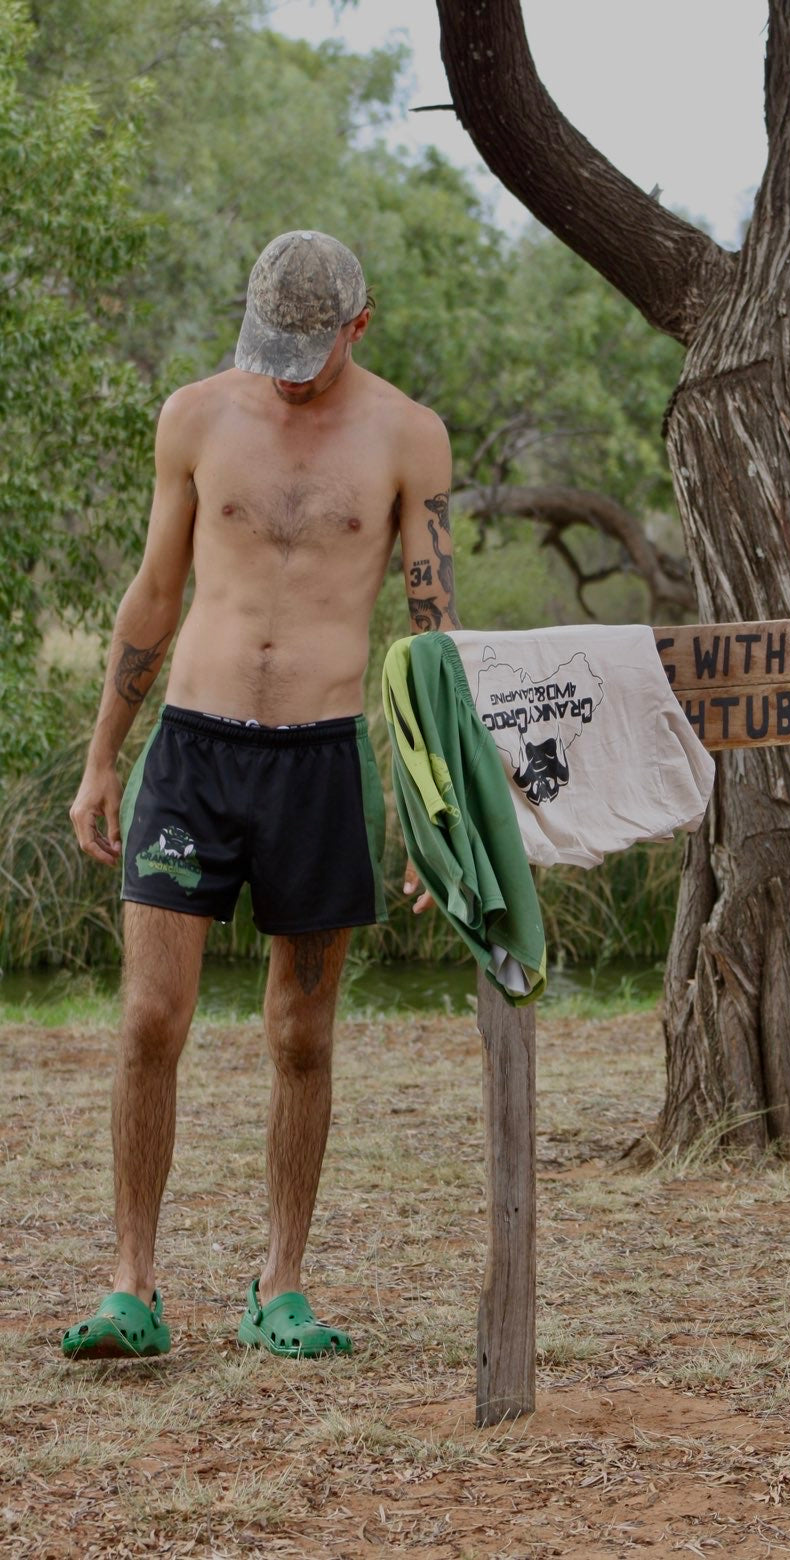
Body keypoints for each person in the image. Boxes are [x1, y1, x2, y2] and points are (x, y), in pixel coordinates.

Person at [63, 230, 458, 1360]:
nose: (288, 370)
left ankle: (280, 1283)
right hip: (191, 749)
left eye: (311, 349)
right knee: (150, 1018)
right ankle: (131, 1284)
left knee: (302, 1036)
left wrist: (446, 818)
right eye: (271, 346)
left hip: (321, 761)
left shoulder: (405, 436)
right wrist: (104, 756)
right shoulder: (194, 416)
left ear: (358, 326)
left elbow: (436, 627)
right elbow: (153, 590)